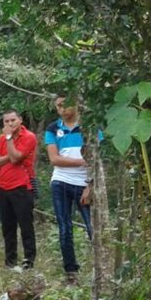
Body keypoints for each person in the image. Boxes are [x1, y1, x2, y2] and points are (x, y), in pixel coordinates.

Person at [45, 95, 94, 284]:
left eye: (65, 104)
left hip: (85, 182)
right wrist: (83, 161)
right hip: (61, 181)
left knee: (92, 226)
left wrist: (90, 185)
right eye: (58, 106)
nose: (62, 109)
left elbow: (98, 158)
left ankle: (99, 267)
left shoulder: (89, 126)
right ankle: (71, 271)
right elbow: (54, 159)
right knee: (65, 226)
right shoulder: (53, 128)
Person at [0, 110, 38, 270]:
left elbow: (16, 158)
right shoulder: (1, 139)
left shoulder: (29, 137)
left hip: (22, 186)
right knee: (8, 226)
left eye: (13, 120)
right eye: (6, 122)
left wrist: (9, 139)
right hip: (3, 186)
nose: (10, 124)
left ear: (20, 120)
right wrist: (9, 155)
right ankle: (10, 261)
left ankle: (29, 261)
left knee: (26, 225)